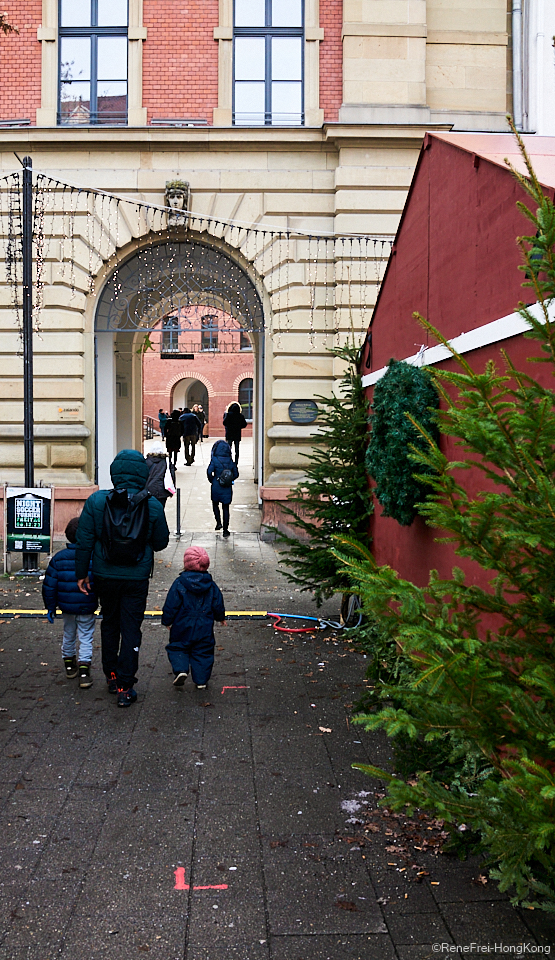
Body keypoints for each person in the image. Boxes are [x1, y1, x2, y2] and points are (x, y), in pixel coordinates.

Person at [75, 449, 170, 707]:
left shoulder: (96, 501)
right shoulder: (151, 504)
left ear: (114, 472)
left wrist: (81, 574)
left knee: (110, 622)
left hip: (105, 574)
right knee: (131, 628)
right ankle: (126, 686)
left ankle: (111, 675)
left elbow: (83, 542)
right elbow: (161, 542)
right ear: (143, 473)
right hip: (136, 578)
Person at [42, 516, 98, 690]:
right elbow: (100, 582)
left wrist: (50, 607)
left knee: (69, 634)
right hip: (87, 604)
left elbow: (49, 585)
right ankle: (84, 671)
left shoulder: (59, 559)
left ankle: (69, 666)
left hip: (66, 606)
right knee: (86, 636)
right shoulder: (93, 557)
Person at [161, 545, 225, 688]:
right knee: (203, 651)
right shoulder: (211, 585)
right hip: (204, 624)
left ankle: (181, 669)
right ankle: (201, 680)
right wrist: (220, 617)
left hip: (182, 623)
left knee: (178, 646)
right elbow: (217, 602)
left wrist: (167, 620)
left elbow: (171, 604)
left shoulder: (179, 583)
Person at [207, 439, 239, 538]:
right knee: (226, 508)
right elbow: (236, 474)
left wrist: (212, 480)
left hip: (216, 485)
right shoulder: (230, 460)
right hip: (227, 487)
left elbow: (209, 471)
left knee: (215, 504)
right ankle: (225, 530)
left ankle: (218, 522)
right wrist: (229, 479)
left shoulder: (215, 459)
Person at [145, 441, 176, 510]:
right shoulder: (166, 462)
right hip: (162, 491)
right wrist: (171, 490)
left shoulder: (146, 461)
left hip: (149, 490)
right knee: (160, 509)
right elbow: (172, 476)